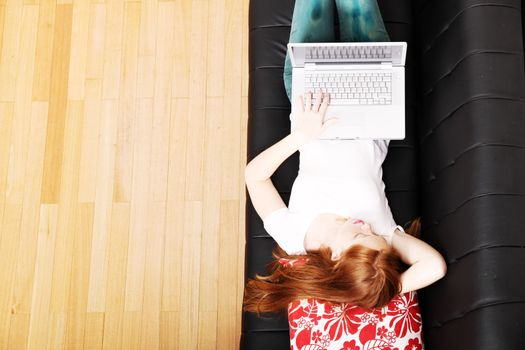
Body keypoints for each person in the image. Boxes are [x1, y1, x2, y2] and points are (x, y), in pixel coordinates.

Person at [243, 1, 447, 347]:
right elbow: (434, 268)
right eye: (371, 234)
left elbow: (255, 177)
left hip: (312, 101)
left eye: (359, 235)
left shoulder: (295, 239)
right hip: (372, 96)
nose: (365, 226)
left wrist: (300, 137)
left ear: (336, 258)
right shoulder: (380, 240)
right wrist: (373, 288)